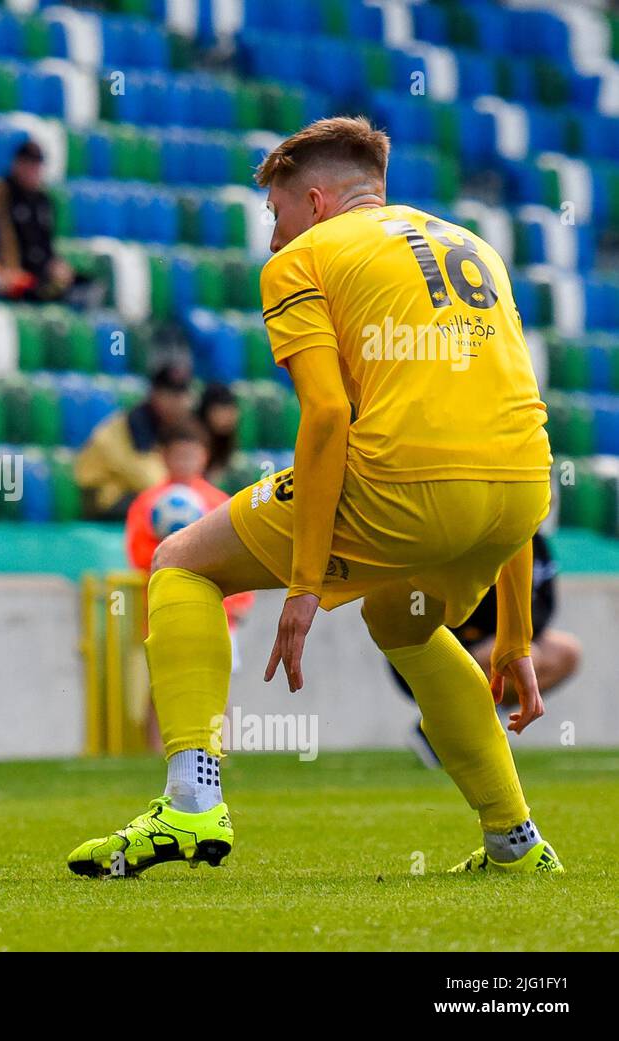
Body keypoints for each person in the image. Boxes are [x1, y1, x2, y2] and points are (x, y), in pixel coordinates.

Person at [68, 116, 563, 879]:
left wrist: (304, 583)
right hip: (518, 492)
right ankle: (515, 840)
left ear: (318, 200)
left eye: (277, 214)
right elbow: (512, 418)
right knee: (401, 616)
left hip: (405, 485)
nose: (274, 238)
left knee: (182, 563)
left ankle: (190, 804)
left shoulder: (307, 257)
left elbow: (327, 414)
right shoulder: (476, 247)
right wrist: (518, 638)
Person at [391, 531, 580, 767]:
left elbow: (546, 602)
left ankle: (475, 722)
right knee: (514, 652)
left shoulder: (535, 542)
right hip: (439, 647)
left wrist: (522, 630)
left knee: (566, 651)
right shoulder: (479, 532)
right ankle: (441, 726)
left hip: (499, 639)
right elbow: (480, 614)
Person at [124, 420, 254, 633]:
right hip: (164, 613)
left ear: (205, 456)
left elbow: (238, 552)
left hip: (217, 616)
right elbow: (140, 554)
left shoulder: (220, 502)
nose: (185, 463)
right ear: (164, 456)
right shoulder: (147, 503)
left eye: (191, 456)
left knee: (220, 665)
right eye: (179, 456)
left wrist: (239, 600)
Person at [73, 358, 194, 520]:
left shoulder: (171, 424)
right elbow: (147, 479)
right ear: (154, 394)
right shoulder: (134, 425)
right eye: (170, 395)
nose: (178, 402)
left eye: (181, 395)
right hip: (106, 497)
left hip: (134, 490)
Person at [4, 140, 96, 305]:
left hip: (42, 269)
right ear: (17, 164)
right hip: (16, 269)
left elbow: (45, 242)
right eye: (29, 165)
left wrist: (55, 263)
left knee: (87, 283)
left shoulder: (43, 200)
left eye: (36, 166)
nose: (33, 171)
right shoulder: (2, 194)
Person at [197, 383, 239, 484]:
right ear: (207, 411)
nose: (228, 417)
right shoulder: (194, 437)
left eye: (231, 410)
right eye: (222, 410)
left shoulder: (227, 437)